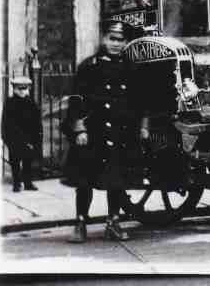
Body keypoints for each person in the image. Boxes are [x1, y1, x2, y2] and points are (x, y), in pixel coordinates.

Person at [63, 20, 149, 243]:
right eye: (112, 38)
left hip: (122, 134)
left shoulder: (131, 68)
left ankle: (113, 223)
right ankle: (80, 223)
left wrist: (143, 127)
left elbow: (141, 103)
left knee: (116, 180)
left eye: (120, 40)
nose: (116, 44)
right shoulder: (88, 66)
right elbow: (76, 100)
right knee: (85, 180)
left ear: (126, 42)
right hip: (93, 133)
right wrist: (79, 129)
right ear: (103, 39)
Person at [1, 76, 42, 193]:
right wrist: (8, 138)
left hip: (29, 137)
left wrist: (36, 137)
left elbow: (36, 120)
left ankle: (28, 182)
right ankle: (17, 183)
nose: (23, 91)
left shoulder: (30, 102)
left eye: (25, 88)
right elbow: (7, 123)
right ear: (14, 89)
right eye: (20, 88)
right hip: (15, 137)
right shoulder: (10, 103)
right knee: (15, 162)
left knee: (28, 160)